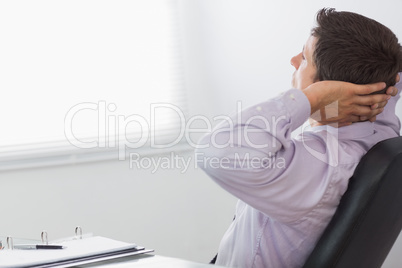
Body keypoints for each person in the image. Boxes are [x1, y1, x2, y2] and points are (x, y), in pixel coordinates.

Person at [195, 8, 402, 268]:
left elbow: (216, 151)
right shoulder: (379, 129)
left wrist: (311, 98)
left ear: (329, 88)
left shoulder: (319, 166)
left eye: (304, 58)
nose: (293, 60)